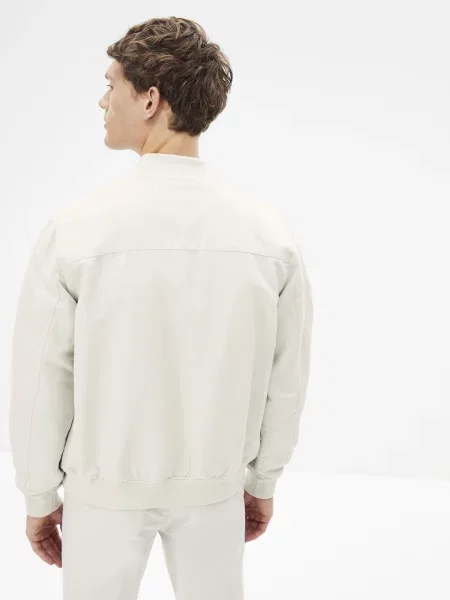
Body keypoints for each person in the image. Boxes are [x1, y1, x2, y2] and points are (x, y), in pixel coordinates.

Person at [8, 15, 314, 600]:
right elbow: (287, 380)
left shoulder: (76, 230)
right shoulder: (269, 236)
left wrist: (39, 494)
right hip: (215, 490)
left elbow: (42, 378)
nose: (102, 100)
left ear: (150, 99)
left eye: (111, 85)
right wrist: (262, 480)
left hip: (103, 494)